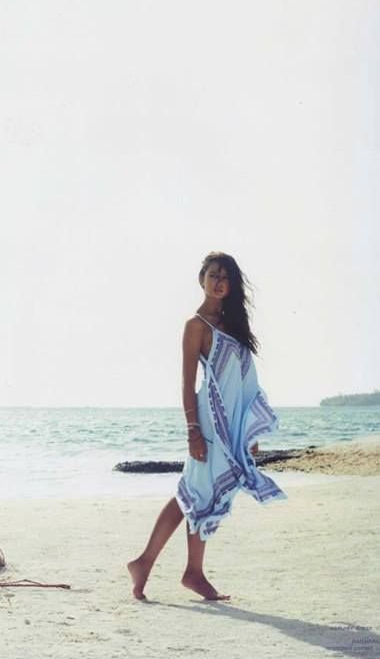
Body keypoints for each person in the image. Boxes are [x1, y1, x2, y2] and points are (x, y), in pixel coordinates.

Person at [127, 252, 287, 601]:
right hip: (209, 421)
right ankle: (178, 569)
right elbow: (187, 383)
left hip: (231, 424)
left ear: (232, 285)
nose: (219, 282)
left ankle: (167, 567)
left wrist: (248, 431)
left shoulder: (235, 326)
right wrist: (193, 431)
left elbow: (245, 382)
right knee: (196, 491)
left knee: (198, 492)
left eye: (225, 277)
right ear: (202, 279)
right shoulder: (196, 326)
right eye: (213, 275)